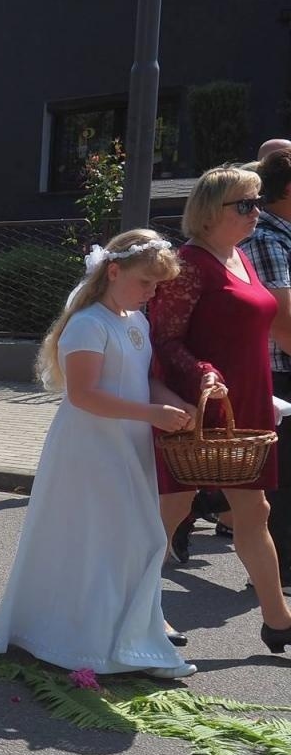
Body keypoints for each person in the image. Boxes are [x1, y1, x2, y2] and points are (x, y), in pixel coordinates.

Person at [0, 230, 197, 677]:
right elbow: (84, 395)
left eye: (158, 285)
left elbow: (140, 378)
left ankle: (131, 637)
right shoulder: (88, 325)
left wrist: (170, 402)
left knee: (133, 540)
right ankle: (95, 643)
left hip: (127, 444)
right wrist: (151, 412)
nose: (152, 292)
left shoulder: (136, 323)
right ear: (114, 271)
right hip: (91, 447)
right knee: (106, 540)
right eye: (146, 283)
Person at [151, 165, 291, 651]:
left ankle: (278, 619)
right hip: (198, 405)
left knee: (255, 510)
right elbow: (164, 340)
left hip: (245, 405)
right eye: (246, 205)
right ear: (211, 212)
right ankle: (139, 610)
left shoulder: (240, 258)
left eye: (259, 201)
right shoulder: (188, 263)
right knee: (172, 509)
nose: (257, 212)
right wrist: (203, 372)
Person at [245, 147, 291, 589]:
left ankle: (200, 502)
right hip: (280, 371)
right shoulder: (269, 240)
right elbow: (283, 325)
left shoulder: (285, 235)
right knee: (282, 477)